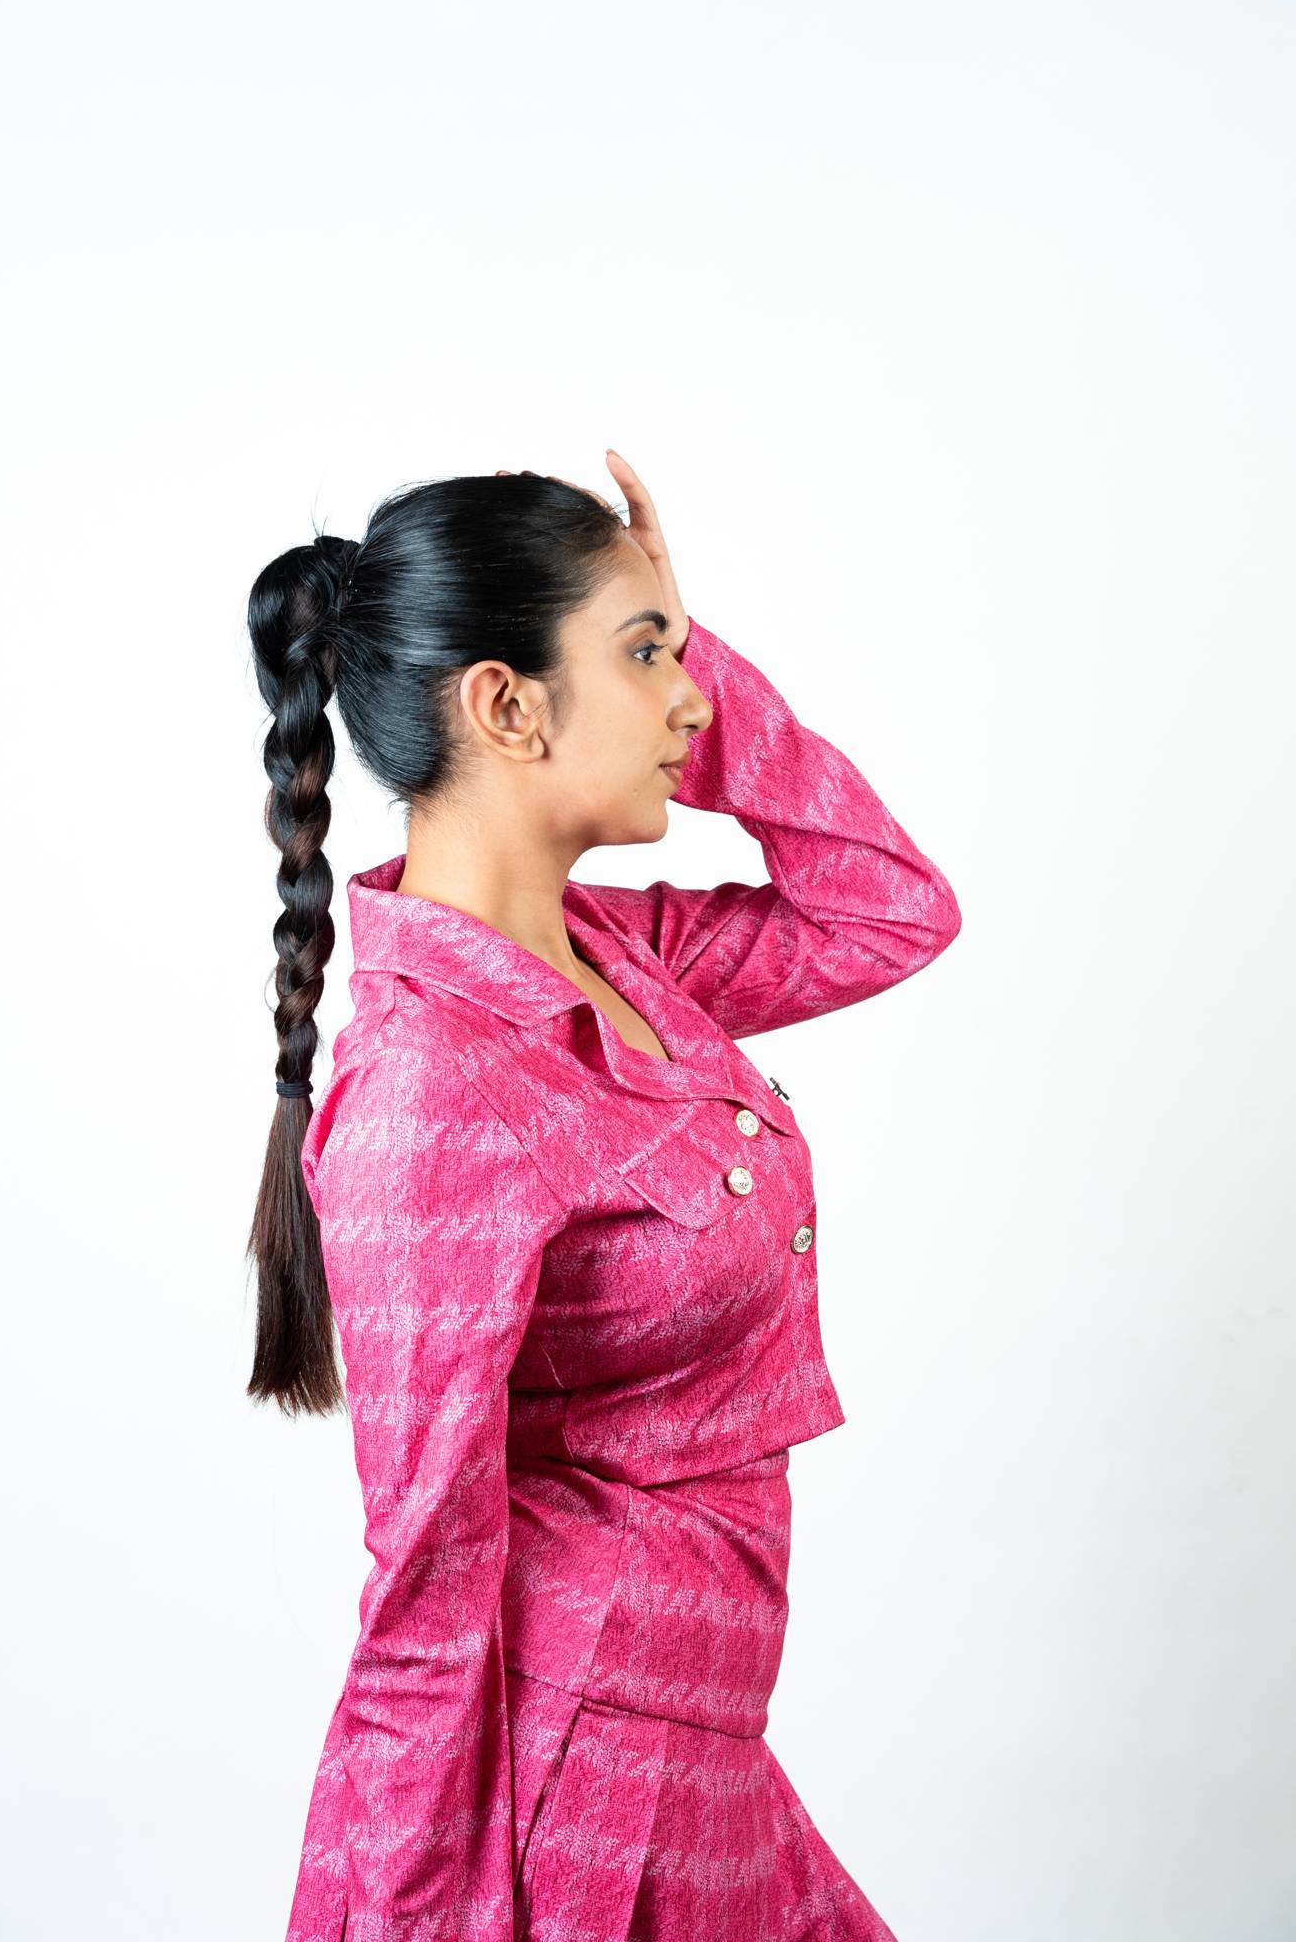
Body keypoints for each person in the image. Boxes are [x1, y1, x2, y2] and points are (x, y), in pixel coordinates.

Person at [245, 449, 961, 1942]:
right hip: (585, 1797)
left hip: (699, 1749)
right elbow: (426, 1593)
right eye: (646, 658)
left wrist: (691, 657)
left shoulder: (623, 964)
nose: (687, 701)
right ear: (505, 705)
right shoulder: (437, 1096)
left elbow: (888, 908)